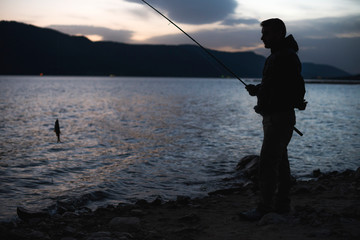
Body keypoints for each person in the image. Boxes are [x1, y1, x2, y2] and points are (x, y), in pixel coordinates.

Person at [241, 18, 306, 221]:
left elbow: (295, 86)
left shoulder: (285, 56)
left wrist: (291, 103)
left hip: (279, 118)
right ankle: (282, 206)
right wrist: (258, 91)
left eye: (266, 33)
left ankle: (265, 208)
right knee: (280, 163)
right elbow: (276, 85)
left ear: (279, 33)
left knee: (268, 163)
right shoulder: (279, 55)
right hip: (275, 116)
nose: (262, 37)